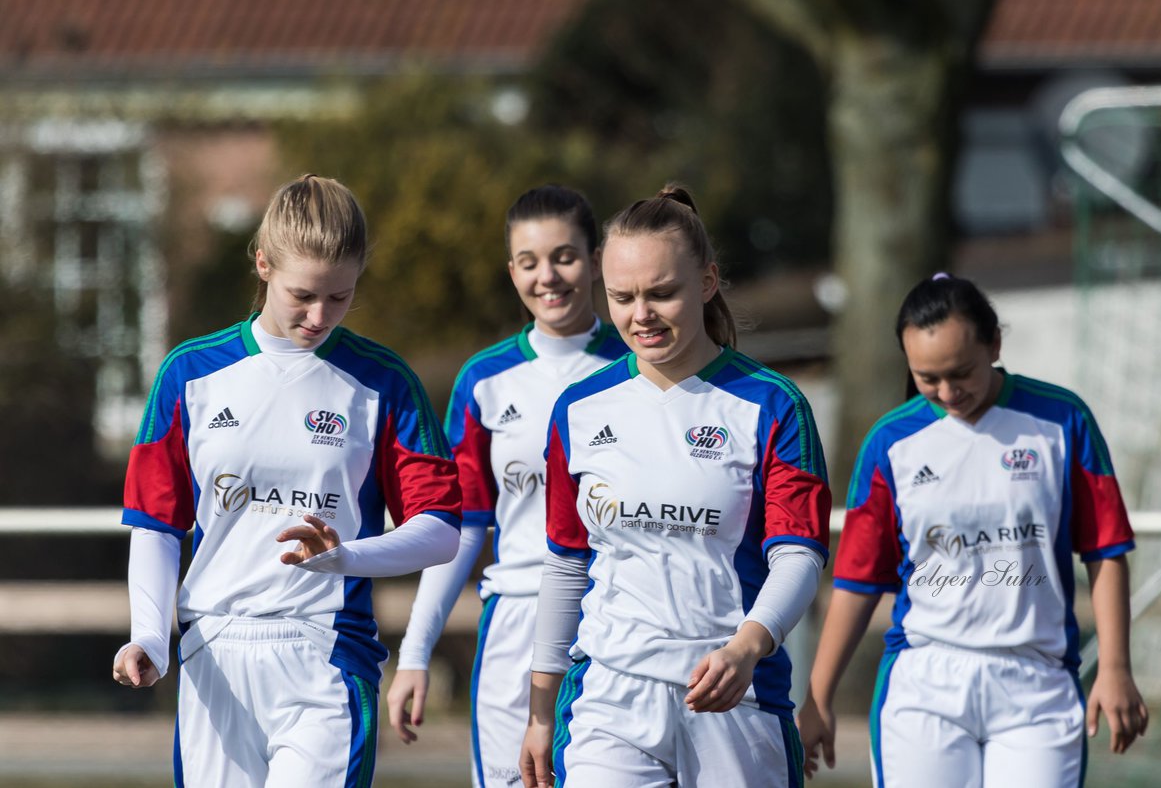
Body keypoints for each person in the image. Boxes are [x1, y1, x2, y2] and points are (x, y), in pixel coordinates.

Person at [110, 174, 463, 788]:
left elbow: (439, 530)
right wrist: (148, 635)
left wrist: (345, 557)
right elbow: (155, 523)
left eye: (341, 297)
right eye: (304, 294)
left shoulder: (383, 381)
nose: (320, 316)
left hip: (326, 653)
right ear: (263, 262)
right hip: (212, 652)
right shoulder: (190, 373)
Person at [518, 185, 832, 788]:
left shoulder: (772, 405)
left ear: (708, 281)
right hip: (610, 693)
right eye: (622, 297)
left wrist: (747, 647)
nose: (642, 315)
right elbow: (565, 563)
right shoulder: (579, 408)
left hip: (733, 697)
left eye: (662, 293)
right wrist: (539, 709)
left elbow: (798, 556)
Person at [798, 273, 1148, 787]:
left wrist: (1115, 667)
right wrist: (819, 697)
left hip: (1037, 685)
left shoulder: (1061, 420)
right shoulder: (891, 442)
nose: (946, 391)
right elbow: (857, 580)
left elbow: (1106, 550)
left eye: (960, 373)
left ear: (995, 344)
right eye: (926, 378)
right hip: (924, 687)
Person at [385, 184, 628, 786]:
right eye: (528, 262)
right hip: (516, 621)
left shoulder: (638, 366)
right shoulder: (485, 380)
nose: (548, 276)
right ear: (511, 270)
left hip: (620, 618)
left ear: (596, 260)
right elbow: (460, 531)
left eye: (565, 256)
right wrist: (416, 652)